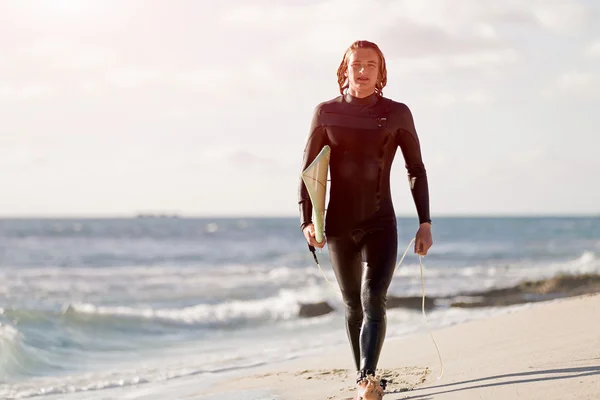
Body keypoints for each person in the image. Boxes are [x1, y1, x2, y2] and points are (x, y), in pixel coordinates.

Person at [297, 40, 433, 399]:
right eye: (356, 64)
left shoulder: (397, 113)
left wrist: (425, 222)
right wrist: (307, 221)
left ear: (381, 72)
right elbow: (308, 171)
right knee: (352, 305)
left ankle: (367, 378)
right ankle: (364, 379)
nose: (362, 70)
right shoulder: (325, 112)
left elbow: (415, 168)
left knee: (374, 299)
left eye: (371, 65)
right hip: (339, 224)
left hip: (380, 221)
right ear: (345, 69)